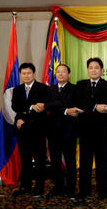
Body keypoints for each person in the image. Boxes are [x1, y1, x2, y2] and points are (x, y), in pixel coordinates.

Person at [75, 57, 107, 200]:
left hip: (102, 128)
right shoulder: (80, 84)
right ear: (87, 70)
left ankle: (103, 191)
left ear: (101, 70)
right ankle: (84, 190)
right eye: (90, 67)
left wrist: (89, 106)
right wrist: (95, 107)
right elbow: (78, 102)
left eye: (96, 67)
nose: (93, 70)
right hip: (84, 128)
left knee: (102, 161)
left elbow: (106, 101)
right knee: (85, 161)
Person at [45, 64, 82, 198]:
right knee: (55, 161)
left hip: (69, 131)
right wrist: (65, 110)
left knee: (70, 161)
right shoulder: (50, 89)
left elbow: (61, 103)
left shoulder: (75, 88)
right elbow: (47, 105)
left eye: (63, 72)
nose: (60, 74)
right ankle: (58, 187)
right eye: (58, 72)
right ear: (55, 74)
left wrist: (54, 105)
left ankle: (70, 188)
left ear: (69, 74)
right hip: (53, 131)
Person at [11, 62, 48, 197]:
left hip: (38, 129)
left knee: (39, 160)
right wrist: (31, 107)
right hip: (23, 131)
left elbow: (41, 110)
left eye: (29, 73)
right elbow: (16, 107)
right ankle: (25, 186)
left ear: (34, 74)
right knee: (25, 159)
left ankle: (39, 187)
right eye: (23, 73)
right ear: (20, 74)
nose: (26, 75)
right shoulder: (17, 90)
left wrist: (25, 113)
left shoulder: (43, 88)